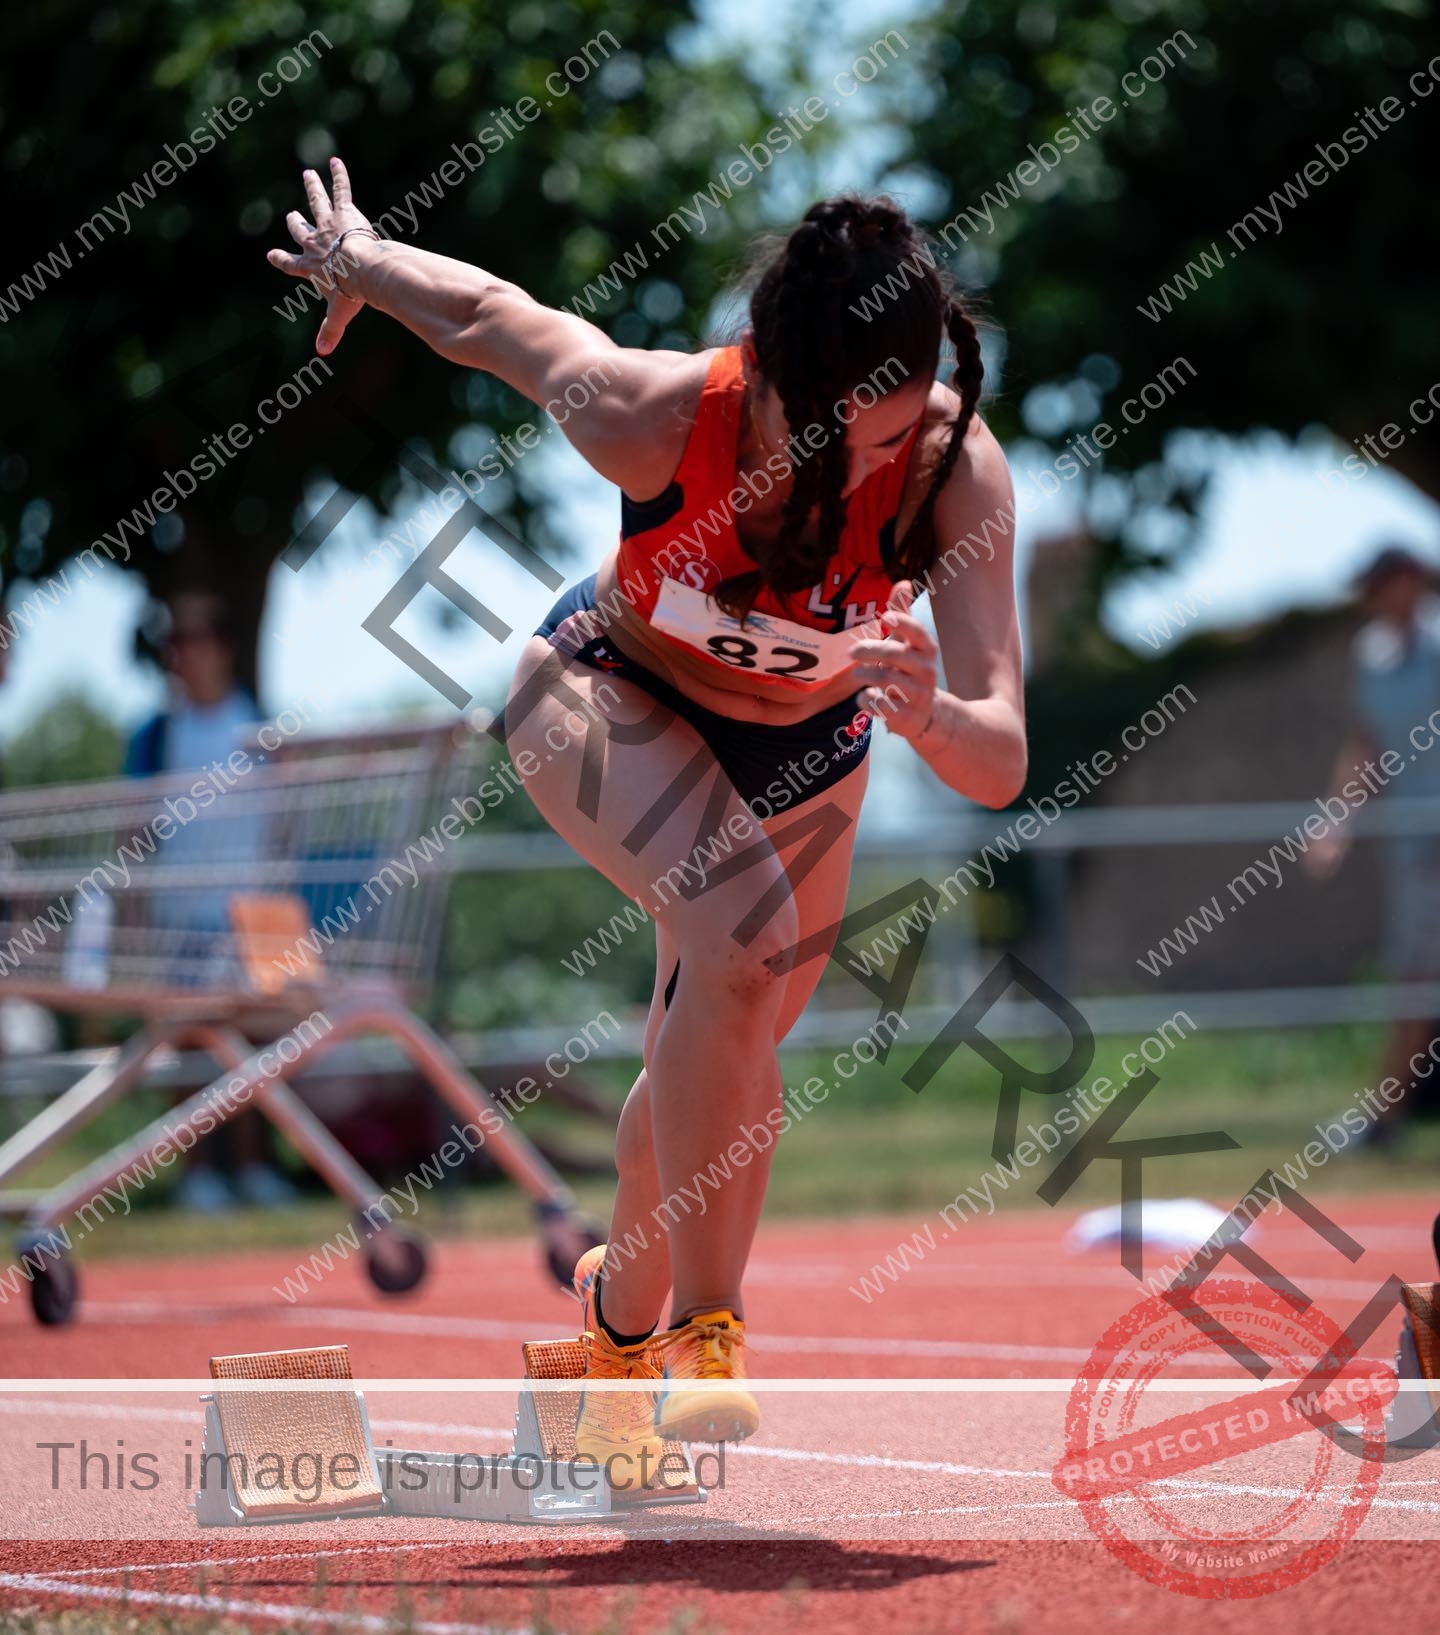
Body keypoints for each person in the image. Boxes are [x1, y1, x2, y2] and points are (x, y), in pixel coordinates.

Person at [269, 162, 1025, 1484]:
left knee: (720, 1065)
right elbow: (500, 319)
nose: (860, 474)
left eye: (890, 439)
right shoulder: (658, 412)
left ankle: (613, 1331)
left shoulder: (957, 477)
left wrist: (932, 710)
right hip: (609, 694)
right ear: (767, 373)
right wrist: (365, 259)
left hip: (815, 747)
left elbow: (1002, 755)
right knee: (737, 935)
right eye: (831, 439)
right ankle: (707, 1332)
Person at [125, 591, 296, 1211]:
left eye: (195, 640)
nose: (183, 654)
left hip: (251, 919)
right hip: (180, 917)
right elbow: (134, 831)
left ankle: (253, 1168)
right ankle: (198, 1174)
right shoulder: (155, 735)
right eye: (176, 643)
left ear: (221, 648)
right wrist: (136, 915)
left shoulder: (257, 725)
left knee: (253, 1049)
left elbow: (283, 823)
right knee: (188, 1048)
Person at [1307, 545, 1440, 1147]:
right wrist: (1336, 820)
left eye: (1381, 584)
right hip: (1414, 850)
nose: (1371, 598)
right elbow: (1365, 745)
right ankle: (1387, 1122)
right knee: (1415, 979)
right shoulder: (1373, 655)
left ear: (1411, 581)